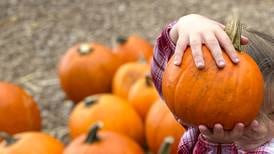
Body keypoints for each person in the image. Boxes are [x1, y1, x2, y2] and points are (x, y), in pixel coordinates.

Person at [151, 14, 274, 153]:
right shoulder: (199, 119)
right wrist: (185, 26)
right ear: (210, 98)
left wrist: (220, 145)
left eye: (273, 113)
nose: (261, 127)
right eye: (249, 116)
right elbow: (167, 75)